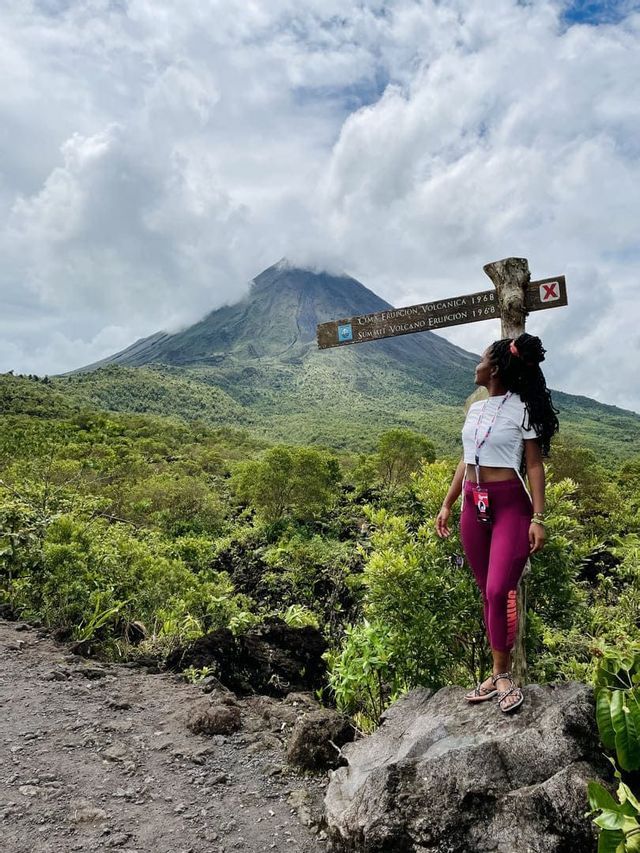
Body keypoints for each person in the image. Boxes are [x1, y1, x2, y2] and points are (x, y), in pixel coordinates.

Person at [435, 332, 559, 713]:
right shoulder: (475, 408)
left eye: (482, 358)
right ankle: (494, 675)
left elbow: (534, 466)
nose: (476, 364)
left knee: (497, 590)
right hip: (473, 506)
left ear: (496, 368)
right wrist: (447, 503)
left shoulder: (522, 409)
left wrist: (538, 517)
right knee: (485, 590)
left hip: (510, 507)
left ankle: (503, 674)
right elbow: (465, 459)